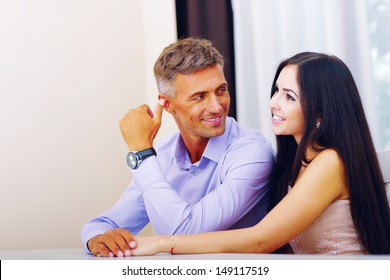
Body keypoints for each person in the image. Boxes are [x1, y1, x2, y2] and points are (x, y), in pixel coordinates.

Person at [128, 52, 390, 255]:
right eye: (276, 91)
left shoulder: (331, 162)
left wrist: (161, 243)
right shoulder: (293, 163)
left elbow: (260, 239)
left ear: (320, 112)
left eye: (289, 97)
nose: (272, 103)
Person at [80, 37, 274, 257]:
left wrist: (141, 152)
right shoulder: (161, 155)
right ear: (168, 104)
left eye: (221, 90)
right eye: (199, 97)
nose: (216, 106)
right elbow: (104, 223)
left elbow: (185, 233)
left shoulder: (253, 153)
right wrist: (99, 239)